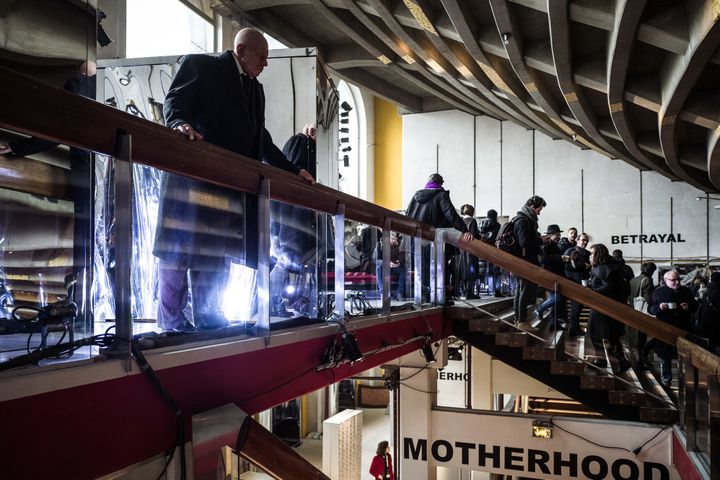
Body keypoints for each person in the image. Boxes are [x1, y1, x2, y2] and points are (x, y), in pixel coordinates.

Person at [154, 28, 314, 332]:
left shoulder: (256, 89)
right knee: (177, 253)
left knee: (215, 256)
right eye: (263, 57)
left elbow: (261, 140)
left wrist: (293, 171)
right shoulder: (200, 65)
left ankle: (206, 315)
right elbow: (174, 103)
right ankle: (170, 320)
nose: (266, 64)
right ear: (242, 51)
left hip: (228, 188)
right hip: (192, 180)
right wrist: (180, 124)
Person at [269, 123, 319, 318]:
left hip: (295, 222)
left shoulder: (302, 147)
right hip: (291, 223)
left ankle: (297, 303)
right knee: (284, 262)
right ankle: (273, 304)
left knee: (298, 264)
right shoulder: (300, 144)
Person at [405, 173, 468, 304]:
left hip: (418, 240)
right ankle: (439, 297)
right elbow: (451, 214)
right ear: (441, 183)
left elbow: (407, 214)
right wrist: (464, 231)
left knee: (422, 267)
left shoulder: (416, 196)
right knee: (439, 267)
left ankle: (425, 296)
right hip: (436, 239)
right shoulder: (441, 195)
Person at [648, 270, 698, 386]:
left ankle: (686, 381)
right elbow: (650, 309)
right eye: (673, 280)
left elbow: (695, 306)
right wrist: (659, 307)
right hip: (665, 329)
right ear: (666, 281)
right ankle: (666, 379)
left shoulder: (686, 291)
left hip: (683, 328)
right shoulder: (658, 293)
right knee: (665, 357)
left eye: (678, 279)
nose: (677, 282)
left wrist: (689, 307)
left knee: (684, 356)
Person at [587, 243, 631, 370]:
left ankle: (603, 360)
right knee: (612, 335)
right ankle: (619, 360)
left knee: (595, 333)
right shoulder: (610, 266)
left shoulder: (603, 268)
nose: (590, 256)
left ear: (598, 254)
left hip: (603, 305)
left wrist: (592, 291)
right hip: (609, 305)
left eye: (592, 253)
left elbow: (608, 287)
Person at [512, 196, 547, 331]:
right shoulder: (522, 220)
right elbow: (524, 242)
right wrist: (540, 240)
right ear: (533, 207)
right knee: (523, 291)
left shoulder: (525, 219)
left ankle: (519, 320)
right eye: (539, 209)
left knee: (521, 291)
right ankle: (521, 321)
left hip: (523, 261)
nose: (539, 213)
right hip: (523, 262)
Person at [535, 224, 569, 329]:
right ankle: (539, 309)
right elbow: (544, 259)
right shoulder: (546, 244)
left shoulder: (554, 244)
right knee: (557, 297)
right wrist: (561, 258)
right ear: (550, 235)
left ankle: (554, 324)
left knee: (558, 299)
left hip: (555, 275)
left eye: (559, 234)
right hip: (549, 275)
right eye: (556, 235)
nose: (558, 237)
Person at [628, 262, 656, 367]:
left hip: (632, 310)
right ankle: (640, 362)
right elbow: (648, 298)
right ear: (651, 271)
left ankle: (637, 360)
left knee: (636, 338)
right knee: (642, 338)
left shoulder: (633, 280)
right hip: (642, 312)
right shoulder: (647, 280)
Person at [564, 232, 591, 336]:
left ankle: (574, 327)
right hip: (574, 282)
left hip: (584, 282)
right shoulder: (571, 250)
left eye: (586, 241)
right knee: (576, 305)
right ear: (578, 240)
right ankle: (573, 328)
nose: (585, 242)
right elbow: (567, 266)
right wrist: (583, 265)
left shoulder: (588, 253)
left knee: (579, 306)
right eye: (583, 240)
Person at [458, 204, 481, 299]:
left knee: (462, 271)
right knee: (471, 271)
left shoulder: (460, 221)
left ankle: (462, 291)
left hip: (460, 249)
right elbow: (474, 235)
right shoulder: (472, 221)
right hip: (470, 251)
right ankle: (470, 292)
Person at [374, 233, 406, 300]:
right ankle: (383, 292)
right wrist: (387, 263)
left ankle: (399, 292)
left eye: (395, 239)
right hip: (385, 266)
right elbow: (375, 260)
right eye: (393, 239)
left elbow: (403, 258)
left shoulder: (399, 245)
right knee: (378, 267)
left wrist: (399, 263)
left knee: (403, 269)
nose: (394, 241)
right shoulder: (380, 245)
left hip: (394, 267)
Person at [479, 209, 502, 297]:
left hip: (481, 251)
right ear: (495, 216)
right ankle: (496, 291)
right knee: (495, 272)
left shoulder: (480, 224)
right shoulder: (497, 225)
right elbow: (498, 239)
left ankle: (481, 290)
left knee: (482, 271)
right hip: (493, 251)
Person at [696, 271, 720, 355]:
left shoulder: (707, 290)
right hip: (716, 322)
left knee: (710, 343)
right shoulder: (718, 291)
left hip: (706, 322)